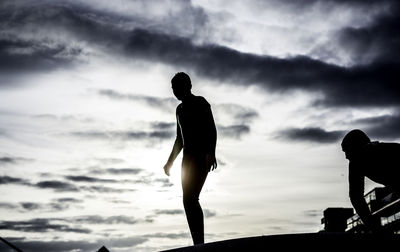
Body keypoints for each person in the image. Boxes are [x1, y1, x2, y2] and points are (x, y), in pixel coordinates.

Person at [163, 72, 217, 245]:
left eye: (176, 87)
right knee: (187, 200)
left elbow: (212, 129)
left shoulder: (201, 103)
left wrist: (211, 152)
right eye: (172, 88)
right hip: (186, 160)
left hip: (201, 156)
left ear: (187, 86)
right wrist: (170, 161)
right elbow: (179, 139)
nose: (174, 91)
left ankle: (199, 242)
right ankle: (197, 242)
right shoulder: (179, 110)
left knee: (191, 198)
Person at [341, 129, 400, 231]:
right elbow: (356, 196)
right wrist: (373, 226)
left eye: (347, 151)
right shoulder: (355, 164)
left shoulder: (391, 150)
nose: (346, 156)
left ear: (358, 148)